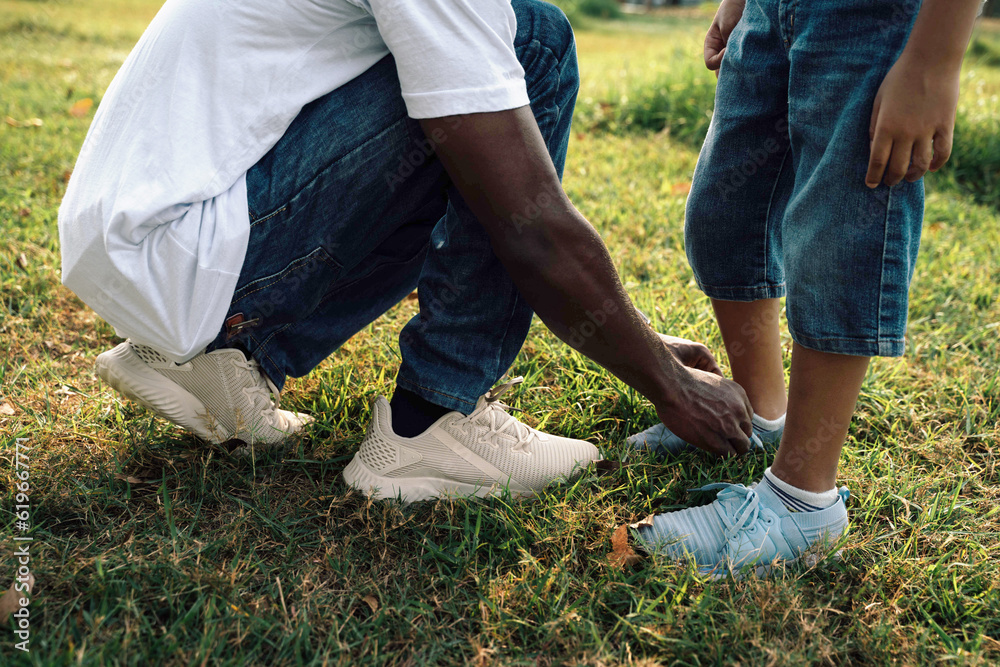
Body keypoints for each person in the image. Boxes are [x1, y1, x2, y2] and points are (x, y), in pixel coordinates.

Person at [58, 0, 755, 503]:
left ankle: (220, 358)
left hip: (154, 240)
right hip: (185, 246)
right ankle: (435, 420)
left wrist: (640, 339)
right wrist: (669, 384)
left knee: (469, 112)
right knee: (533, 44)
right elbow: (526, 223)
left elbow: (484, 215)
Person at [629, 0, 982, 574]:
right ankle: (761, 414)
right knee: (724, 212)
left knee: (839, 228)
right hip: (771, 10)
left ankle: (803, 498)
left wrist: (932, 62)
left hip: (875, 18)